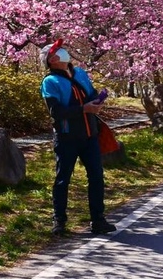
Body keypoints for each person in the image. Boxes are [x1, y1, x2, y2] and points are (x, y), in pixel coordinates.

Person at [38, 39, 116, 236]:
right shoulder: (50, 82)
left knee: (97, 177)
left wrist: (97, 102)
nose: (64, 52)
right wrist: (83, 109)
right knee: (63, 178)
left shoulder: (80, 73)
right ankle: (59, 220)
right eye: (58, 51)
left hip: (90, 135)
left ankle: (98, 220)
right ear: (52, 60)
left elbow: (91, 93)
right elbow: (56, 112)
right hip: (66, 137)